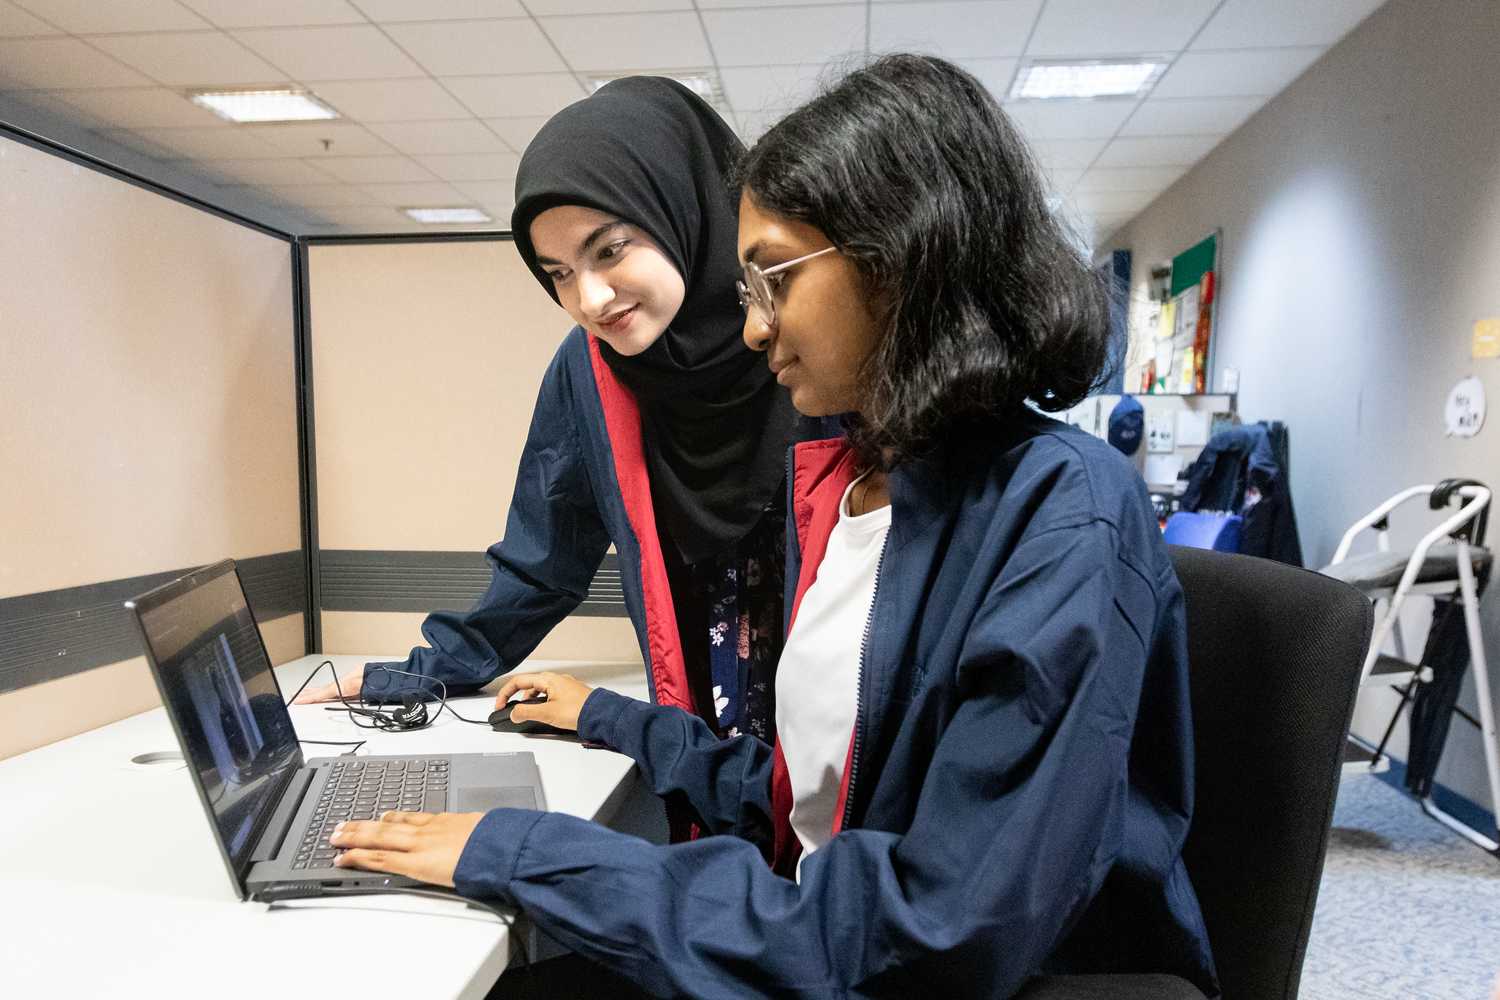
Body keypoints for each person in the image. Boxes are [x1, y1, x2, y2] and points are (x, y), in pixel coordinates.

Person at [327, 55, 1219, 998]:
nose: (753, 329)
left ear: (902, 256)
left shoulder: (1059, 509)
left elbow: (940, 931)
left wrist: (536, 853)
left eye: (773, 281)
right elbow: (816, 797)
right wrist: (608, 719)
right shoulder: (866, 485)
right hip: (839, 928)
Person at [294, 77, 818, 749]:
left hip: (851, 721)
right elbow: (544, 559)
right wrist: (416, 675)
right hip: (701, 734)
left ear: (681, 208)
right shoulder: (591, 371)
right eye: (559, 273)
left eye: (609, 250)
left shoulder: (806, 339)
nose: (591, 297)